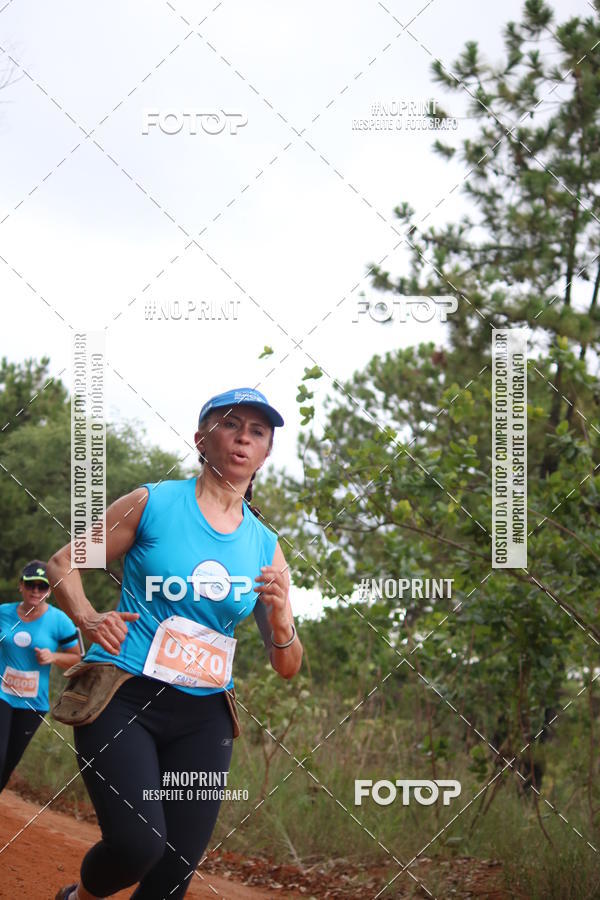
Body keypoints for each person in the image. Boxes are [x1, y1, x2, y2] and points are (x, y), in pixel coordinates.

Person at [48, 387, 303, 900]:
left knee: (174, 870)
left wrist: (279, 621)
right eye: (231, 425)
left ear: (267, 452)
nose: (243, 438)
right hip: (123, 694)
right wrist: (90, 617)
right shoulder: (153, 503)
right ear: (202, 439)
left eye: (257, 432)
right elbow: (62, 564)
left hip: (204, 714)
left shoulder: (265, 546)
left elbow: (288, 666)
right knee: (140, 846)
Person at [0, 560, 81, 791]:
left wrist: (53, 657)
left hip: (32, 703)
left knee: (8, 762)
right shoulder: (3, 612)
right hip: (2, 694)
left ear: (49, 590)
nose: (35, 591)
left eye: (42, 587)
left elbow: (77, 659)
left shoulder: (60, 621)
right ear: (21, 586)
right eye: (30, 585)